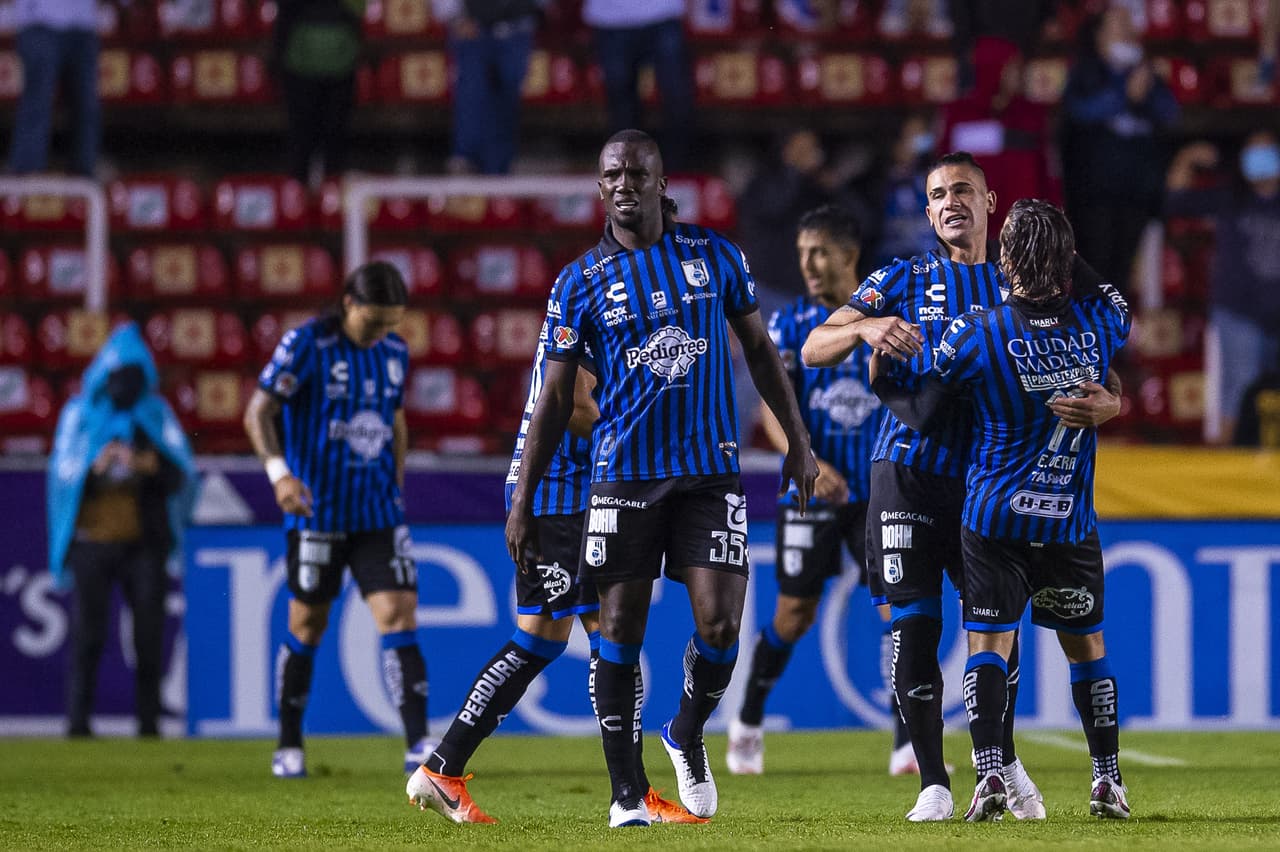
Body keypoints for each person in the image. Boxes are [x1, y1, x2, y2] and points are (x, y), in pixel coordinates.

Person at [505, 129, 818, 827]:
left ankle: (685, 728)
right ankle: (625, 795)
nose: (624, 184)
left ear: (660, 181)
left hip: (710, 473)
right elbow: (555, 400)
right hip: (622, 479)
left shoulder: (714, 256)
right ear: (600, 187)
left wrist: (797, 439)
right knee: (617, 628)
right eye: (611, 174)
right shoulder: (579, 281)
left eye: (636, 173)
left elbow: (762, 353)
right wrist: (522, 501)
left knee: (720, 627)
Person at [802, 151, 1122, 821]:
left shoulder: (1027, 283)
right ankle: (933, 783)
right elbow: (813, 349)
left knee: (994, 635)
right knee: (915, 628)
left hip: (984, 486)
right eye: (939, 193)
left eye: (963, 190)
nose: (951, 201)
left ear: (988, 201)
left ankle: (999, 765)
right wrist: (861, 325)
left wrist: (1113, 403)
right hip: (908, 474)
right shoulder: (904, 276)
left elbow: (1097, 362)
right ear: (927, 211)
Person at [406, 346, 704, 824]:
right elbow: (577, 406)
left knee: (538, 640)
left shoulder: (581, 306)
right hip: (563, 494)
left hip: (551, 490)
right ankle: (631, 794)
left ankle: (443, 767)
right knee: (610, 635)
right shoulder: (595, 308)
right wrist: (647, 444)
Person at [724, 204, 913, 777]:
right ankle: (747, 721)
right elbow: (771, 408)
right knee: (794, 612)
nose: (807, 263)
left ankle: (908, 742)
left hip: (878, 493)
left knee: (897, 610)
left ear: (849, 256)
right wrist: (804, 457)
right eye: (803, 252)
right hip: (810, 490)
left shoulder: (888, 319)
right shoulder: (789, 325)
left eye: (819, 252)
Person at [243, 261, 434, 778]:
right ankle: (288, 745)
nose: (382, 334)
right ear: (349, 304)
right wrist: (280, 475)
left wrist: (395, 483)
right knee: (307, 624)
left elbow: (395, 420)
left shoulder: (394, 352)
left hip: (376, 513)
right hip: (317, 513)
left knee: (399, 615)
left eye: (391, 324)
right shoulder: (306, 344)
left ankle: (419, 745)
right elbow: (258, 410)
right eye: (374, 322)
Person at [47, 322, 197, 738]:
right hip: (91, 542)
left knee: (149, 635)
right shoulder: (78, 416)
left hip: (142, 544)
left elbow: (181, 474)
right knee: (87, 636)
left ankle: (148, 725)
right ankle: (78, 724)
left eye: (132, 376)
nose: (124, 386)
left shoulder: (155, 416)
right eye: (117, 376)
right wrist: (93, 471)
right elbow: (62, 476)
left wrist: (147, 465)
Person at [1164, 132, 1280, 445]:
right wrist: (1186, 157)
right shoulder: (1230, 197)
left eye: (1268, 153)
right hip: (1238, 312)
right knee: (1238, 387)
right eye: (1253, 155)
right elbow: (1174, 200)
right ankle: (1227, 466)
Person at [1060, 4, 1179, 292]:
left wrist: (1145, 91)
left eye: (1129, 24)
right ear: (1100, 35)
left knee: (1122, 275)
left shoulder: (1147, 72)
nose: (1127, 31)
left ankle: (1116, 331)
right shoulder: (1084, 71)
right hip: (1094, 196)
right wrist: (1124, 95)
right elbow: (1077, 111)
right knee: (1093, 272)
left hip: (1137, 193)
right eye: (1118, 25)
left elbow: (1171, 113)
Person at [582, 1, 696, 171]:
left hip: (664, 13)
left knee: (677, 97)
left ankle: (678, 171)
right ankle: (628, 172)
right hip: (610, 19)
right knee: (620, 103)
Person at [434, 0, 542, 175]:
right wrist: (454, 17)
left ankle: (500, 165)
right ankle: (465, 159)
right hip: (473, 26)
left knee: (508, 96)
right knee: (472, 92)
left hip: (517, 27)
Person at [272, 0, 365, 185]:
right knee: (309, 139)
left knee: (326, 139)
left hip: (337, 59)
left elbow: (359, 11)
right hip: (305, 61)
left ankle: (325, 200)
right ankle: (303, 200)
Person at [6, 0, 100, 176]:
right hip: (39, 22)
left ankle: (84, 172)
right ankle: (26, 171)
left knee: (86, 105)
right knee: (37, 102)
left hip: (83, 25)